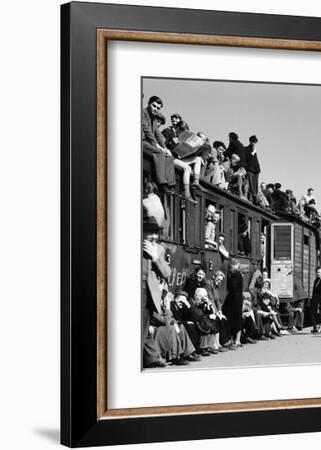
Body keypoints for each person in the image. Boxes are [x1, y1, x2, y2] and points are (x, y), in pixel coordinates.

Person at [142, 210, 172, 368]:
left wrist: (155, 257)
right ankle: (150, 357)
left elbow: (167, 272)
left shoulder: (158, 250)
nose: (154, 236)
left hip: (149, 292)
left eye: (156, 233)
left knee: (144, 324)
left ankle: (150, 358)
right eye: (150, 233)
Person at [142, 96, 176, 193]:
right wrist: (156, 145)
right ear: (148, 103)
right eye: (154, 106)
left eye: (158, 108)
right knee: (159, 153)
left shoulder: (153, 118)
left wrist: (165, 148)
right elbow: (146, 130)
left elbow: (158, 134)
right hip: (143, 141)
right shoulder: (142, 113)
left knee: (169, 156)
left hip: (149, 142)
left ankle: (171, 184)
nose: (155, 109)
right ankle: (162, 184)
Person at [223, 258, 244, 346]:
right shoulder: (238, 274)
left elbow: (232, 286)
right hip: (237, 299)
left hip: (234, 299)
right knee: (237, 318)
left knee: (234, 318)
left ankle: (235, 340)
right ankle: (237, 340)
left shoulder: (235, 274)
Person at [243, 135, 261, 203]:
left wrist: (258, 169)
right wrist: (252, 153)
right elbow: (247, 158)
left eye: (255, 142)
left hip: (256, 170)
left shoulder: (254, 150)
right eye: (253, 141)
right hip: (250, 169)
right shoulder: (246, 149)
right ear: (250, 141)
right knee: (251, 184)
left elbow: (256, 160)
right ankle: (251, 198)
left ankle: (255, 199)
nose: (254, 143)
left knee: (255, 185)